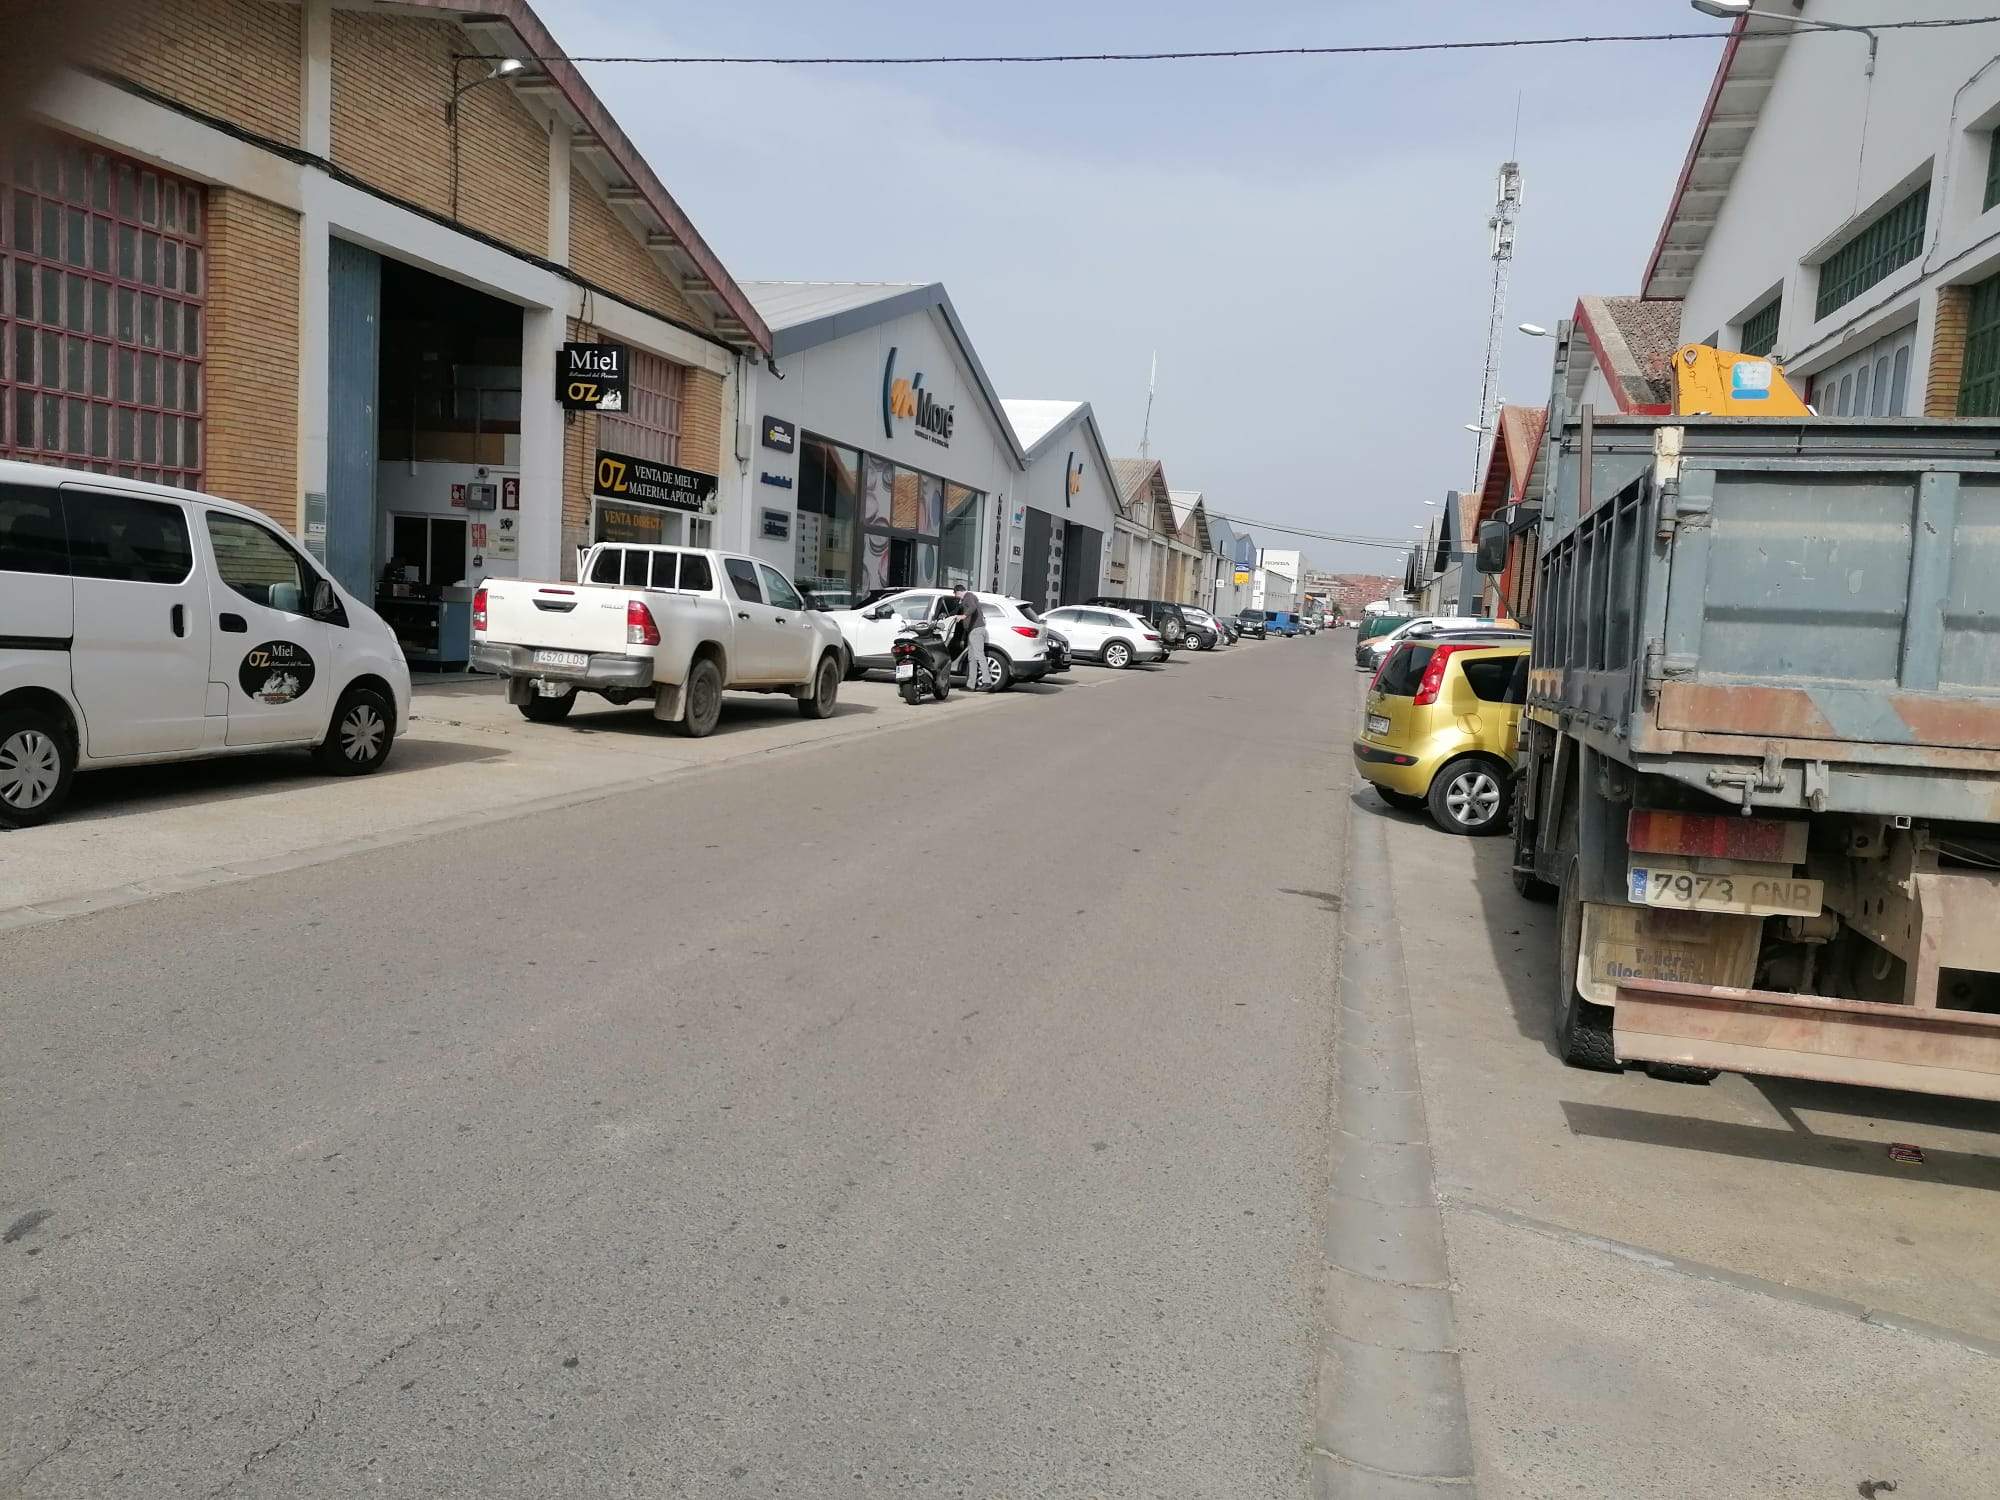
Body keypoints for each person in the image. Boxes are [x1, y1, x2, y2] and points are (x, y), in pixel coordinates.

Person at [951, 585, 990, 692]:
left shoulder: (969, 596)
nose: (957, 597)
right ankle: (971, 685)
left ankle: (987, 682)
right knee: (971, 658)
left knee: (978, 656)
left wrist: (963, 616)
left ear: (958, 592)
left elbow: (972, 607)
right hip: (972, 631)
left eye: (956, 594)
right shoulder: (968, 598)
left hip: (976, 630)